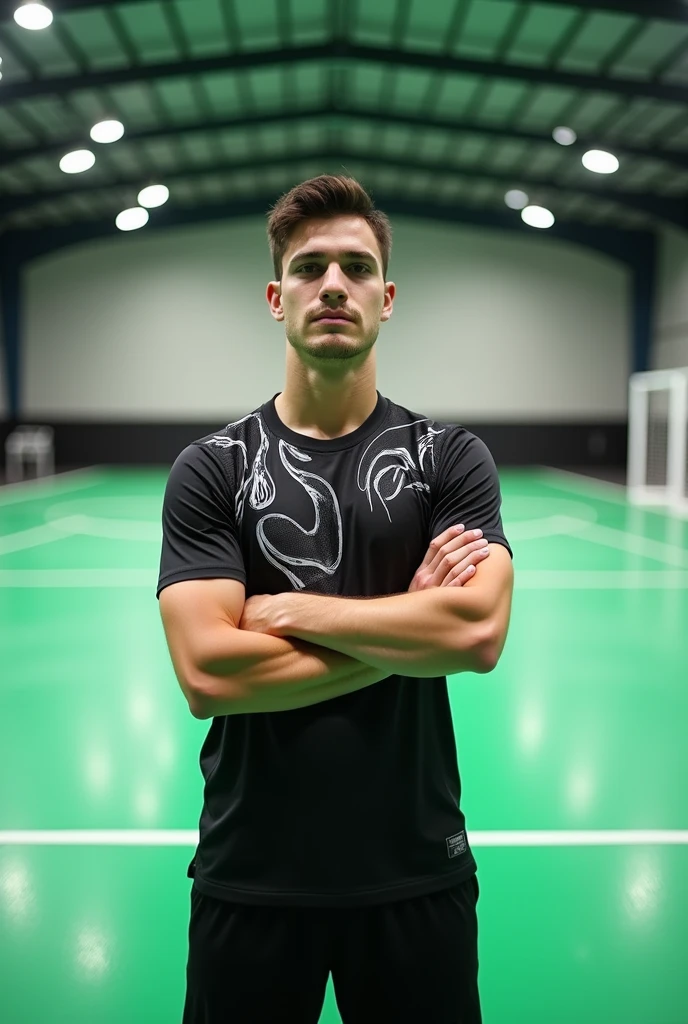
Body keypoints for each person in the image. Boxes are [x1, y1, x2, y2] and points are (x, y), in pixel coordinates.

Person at [157, 174, 514, 1024]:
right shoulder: (214, 468)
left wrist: (287, 610)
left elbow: (476, 633)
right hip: (251, 875)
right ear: (277, 297)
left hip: (415, 867)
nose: (333, 286)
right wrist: (405, 622)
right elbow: (208, 671)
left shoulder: (449, 458)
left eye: (356, 268)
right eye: (311, 267)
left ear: (386, 299)